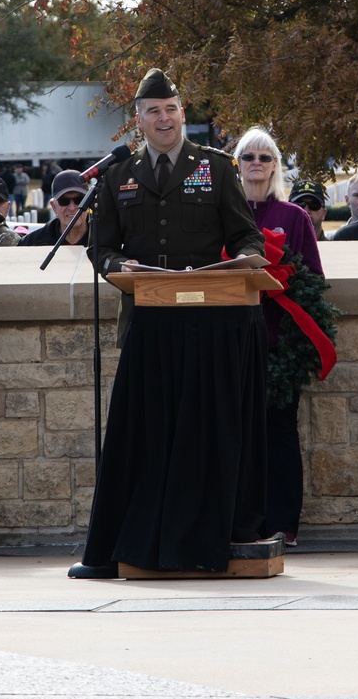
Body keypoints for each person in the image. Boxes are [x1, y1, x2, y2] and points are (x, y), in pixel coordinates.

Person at [70, 67, 267, 578]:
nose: (164, 118)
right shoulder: (118, 175)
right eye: (153, 111)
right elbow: (102, 247)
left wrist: (246, 261)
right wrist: (117, 267)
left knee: (202, 435)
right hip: (147, 323)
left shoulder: (218, 168)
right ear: (138, 119)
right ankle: (130, 546)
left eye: (172, 109)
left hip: (210, 327)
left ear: (183, 114)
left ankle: (201, 544)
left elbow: (248, 238)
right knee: (144, 438)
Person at [236, 128, 322, 545]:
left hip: (277, 344)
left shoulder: (293, 217)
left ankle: (283, 523)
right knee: (234, 435)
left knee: (279, 435)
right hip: (230, 340)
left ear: (275, 166)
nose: (256, 162)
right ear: (237, 165)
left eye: (265, 157)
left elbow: (313, 280)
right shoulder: (224, 213)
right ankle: (240, 521)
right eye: (248, 156)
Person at [19, 170, 90, 246]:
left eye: (79, 200)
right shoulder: (31, 244)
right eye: (64, 201)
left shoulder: (103, 239)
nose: (72, 207)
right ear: (54, 206)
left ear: (89, 202)